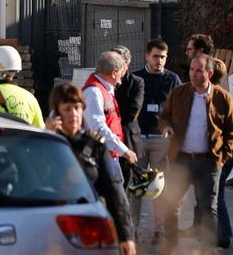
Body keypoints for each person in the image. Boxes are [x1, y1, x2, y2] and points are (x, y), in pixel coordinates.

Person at [159, 53, 233, 248]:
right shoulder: (179, 93)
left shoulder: (222, 97)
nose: (193, 74)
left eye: (199, 70)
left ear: (209, 73)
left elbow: (232, 131)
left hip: (208, 161)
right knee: (171, 205)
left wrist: (221, 157)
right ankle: (170, 246)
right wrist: (166, 128)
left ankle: (207, 249)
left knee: (208, 208)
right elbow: (164, 117)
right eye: (191, 70)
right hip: (181, 160)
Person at [47, 81, 137, 255]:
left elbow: (114, 192)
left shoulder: (94, 145)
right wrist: (48, 136)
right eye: (67, 109)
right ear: (57, 113)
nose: (73, 114)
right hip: (54, 225)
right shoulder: (46, 144)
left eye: (77, 108)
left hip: (88, 225)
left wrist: (126, 236)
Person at [186, 33, 233, 246]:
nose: (187, 53)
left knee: (215, 191)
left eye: (190, 49)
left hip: (219, 146)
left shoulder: (212, 87)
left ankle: (222, 235)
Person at [133, 38, 181, 247]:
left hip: (161, 140)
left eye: (162, 57)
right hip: (138, 139)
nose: (159, 61)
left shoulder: (172, 80)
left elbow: (179, 108)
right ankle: (132, 230)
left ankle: (158, 229)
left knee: (158, 187)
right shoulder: (136, 77)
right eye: (155, 56)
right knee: (135, 188)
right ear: (146, 56)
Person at [83, 50, 138, 189]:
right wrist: (124, 150)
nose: (122, 76)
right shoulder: (94, 92)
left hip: (108, 156)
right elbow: (98, 127)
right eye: (121, 72)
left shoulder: (105, 89)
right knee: (117, 202)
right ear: (114, 72)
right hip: (100, 157)